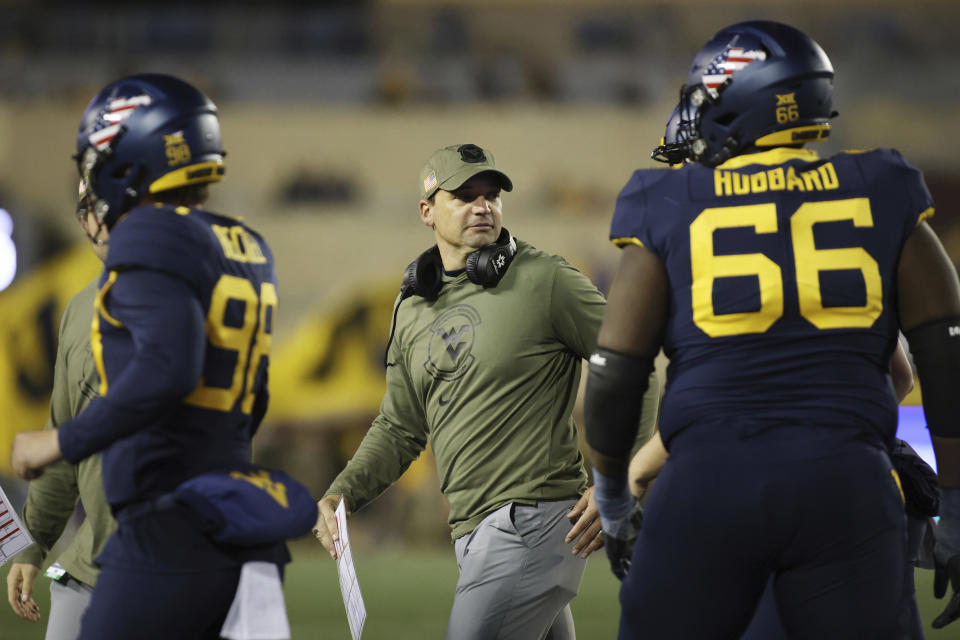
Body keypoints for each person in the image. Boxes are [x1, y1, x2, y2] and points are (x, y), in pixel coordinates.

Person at [583, 20, 960, 639]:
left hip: (708, 484)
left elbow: (617, 374)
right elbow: (943, 364)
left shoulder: (671, 200)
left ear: (742, 100)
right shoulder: (881, 189)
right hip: (846, 484)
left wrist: (614, 501)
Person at [311, 143, 660, 640]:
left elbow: (634, 365)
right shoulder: (412, 309)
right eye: (464, 195)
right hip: (474, 533)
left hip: (533, 521)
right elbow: (399, 426)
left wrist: (621, 477)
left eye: (492, 195)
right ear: (427, 212)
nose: (483, 206)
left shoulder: (546, 279)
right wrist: (344, 493)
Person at [10, 73, 293, 639]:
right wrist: (35, 542)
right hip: (154, 556)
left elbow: (158, 378)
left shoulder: (161, 276)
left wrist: (59, 443)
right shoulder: (241, 254)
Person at [5, 181, 115, 638]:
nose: (100, 222)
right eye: (91, 209)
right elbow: (61, 441)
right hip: (86, 569)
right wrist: (32, 547)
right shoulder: (78, 310)